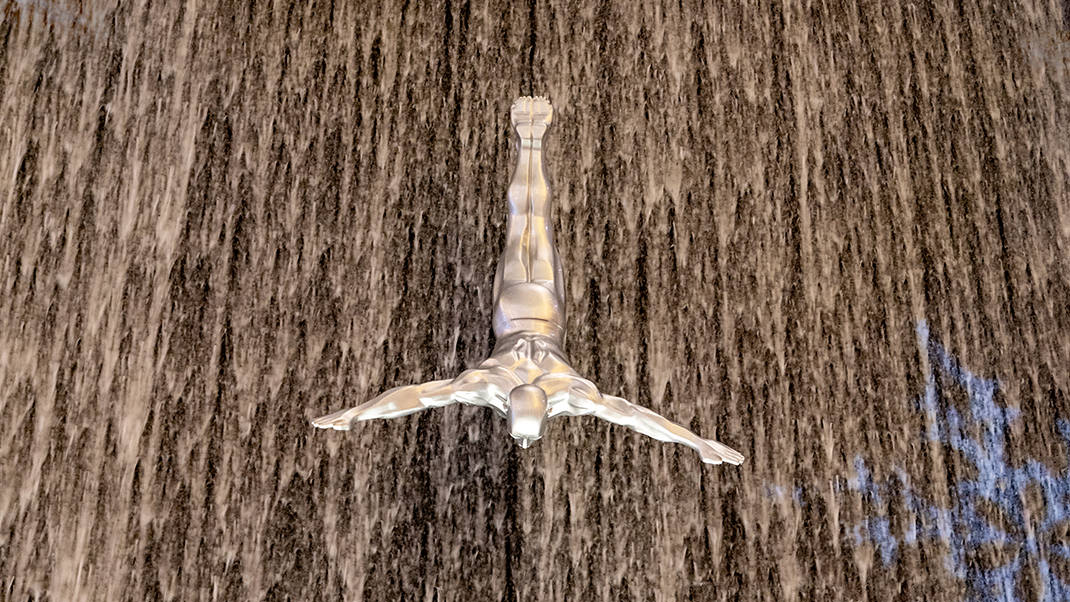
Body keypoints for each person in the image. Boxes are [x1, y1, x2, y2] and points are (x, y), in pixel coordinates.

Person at [312, 97, 743, 465]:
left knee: (526, 222)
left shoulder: (486, 384)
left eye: (522, 396)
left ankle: (529, 140)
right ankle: (533, 141)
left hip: (515, 311)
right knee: (537, 222)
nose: (527, 387)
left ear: (511, 405)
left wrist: (357, 413)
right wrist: (696, 442)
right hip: (545, 310)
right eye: (531, 397)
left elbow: (414, 397)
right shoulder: (571, 394)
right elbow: (635, 415)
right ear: (542, 408)